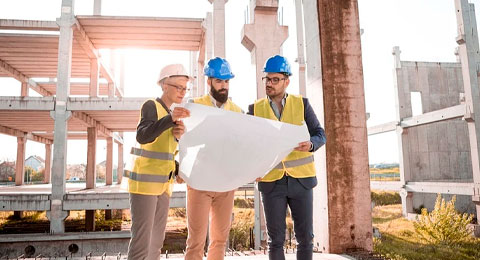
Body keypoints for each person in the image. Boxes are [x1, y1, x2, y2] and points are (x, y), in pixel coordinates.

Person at [247, 55, 326, 260]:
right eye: (267, 79)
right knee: (275, 241)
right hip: (272, 182)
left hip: (302, 181)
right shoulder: (255, 109)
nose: (270, 84)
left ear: (286, 81)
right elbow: (248, 145)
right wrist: (252, 169)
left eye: (275, 80)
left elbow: (320, 133)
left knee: (305, 238)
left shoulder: (302, 104)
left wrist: (310, 144)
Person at [127, 64, 191, 260]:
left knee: (156, 243)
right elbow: (143, 136)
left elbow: (166, 153)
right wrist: (169, 120)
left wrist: (180, 138)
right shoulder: (151, 106)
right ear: (164, 85)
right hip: (144, 186)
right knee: (141, 243)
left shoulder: (173, 115)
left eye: (185, 88)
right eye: (178, 87)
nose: (182, 92)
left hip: (164, 186)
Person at [183, 57, 243, 260]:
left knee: (219, 241)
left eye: (226, 82)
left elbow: (243, 146)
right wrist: (181, 169)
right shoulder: (195, 106)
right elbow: (182, 140)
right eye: (219, 81)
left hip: (225, 185)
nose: (224, 86)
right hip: (199, 183)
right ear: (209, 82)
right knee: (195, 242)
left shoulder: (236, 111)